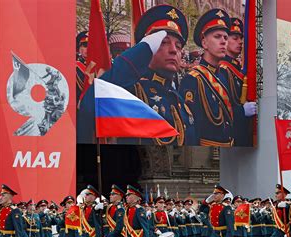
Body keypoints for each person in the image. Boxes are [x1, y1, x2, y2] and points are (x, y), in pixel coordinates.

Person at [78, 4, 195, 146]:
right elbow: (89, 105)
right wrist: (142, 50)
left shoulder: (180, 102)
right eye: (163, 42)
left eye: (178, 46)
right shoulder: (131, 92)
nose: (173, 50)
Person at [179, 9, 233, 146]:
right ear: (204, 43)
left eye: (226, 38)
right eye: (217, 36)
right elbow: (191, 127)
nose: (223, 42)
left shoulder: (225, 75)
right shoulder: (193, 79)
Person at [218, 18, 257, 146]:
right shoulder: (222, 70)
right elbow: (220, 110)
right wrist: (242, 111)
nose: (240, 42)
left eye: (241, 38)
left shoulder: (237, 68)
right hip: (232, 137)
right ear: (225, 40)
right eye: (235, 38)